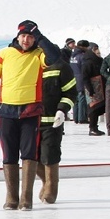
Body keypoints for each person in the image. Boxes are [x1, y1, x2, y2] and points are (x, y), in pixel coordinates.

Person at [0, 20, 61, 210]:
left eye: (30, 36)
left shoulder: (39, 55)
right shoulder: (4, 55)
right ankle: (12, 198)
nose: (27, 40)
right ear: (17, 37)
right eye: (24, 36)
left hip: (30, 111)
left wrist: (41, 37)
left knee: (28, 153)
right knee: (9, 154)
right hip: (7, 111)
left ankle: (25, 199)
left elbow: (55, 57)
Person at [34, 47, 77, 204]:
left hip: (52, 121)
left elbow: (71, 93)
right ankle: (46, 181)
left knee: (49, 155)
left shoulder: (61, 67)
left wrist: (62, 110)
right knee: (31, 156)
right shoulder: (31, 65)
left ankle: (51, 189)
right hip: (30, 120)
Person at [82, 43, 106, 136]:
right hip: (92, 87)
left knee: (98, 107)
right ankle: (92, 128)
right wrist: (89, 88)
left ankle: (95, 127)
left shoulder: (99, 61)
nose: (98, 51)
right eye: (96, 49)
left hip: (99, 87)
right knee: (93, 108)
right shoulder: (88, 62)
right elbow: (85, 77)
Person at [71, 40, 89, 123]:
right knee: (81, 98)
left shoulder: (72, 56)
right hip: (81, 79)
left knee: (75, 99)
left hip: (73, 78)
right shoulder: (82, 56)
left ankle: (75, 117)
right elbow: (84, 69)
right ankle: (82, 118)